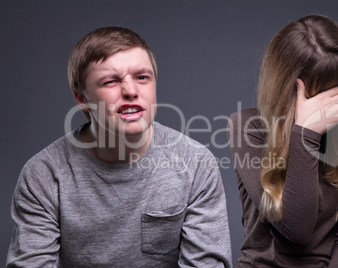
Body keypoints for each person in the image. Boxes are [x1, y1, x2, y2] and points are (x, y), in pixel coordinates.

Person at [7, 27, 232, 267]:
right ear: (82, 98)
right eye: (110, 81)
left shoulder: (196, 163)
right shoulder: (44, 174)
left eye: (142, 77)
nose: (131, 91)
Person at [228, 15, 338, 267]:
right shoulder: (248, 127)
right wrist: (305, 134)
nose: (328, 109)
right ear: (285, 91)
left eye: (336, 94)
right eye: (318, 97)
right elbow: (296, 229)